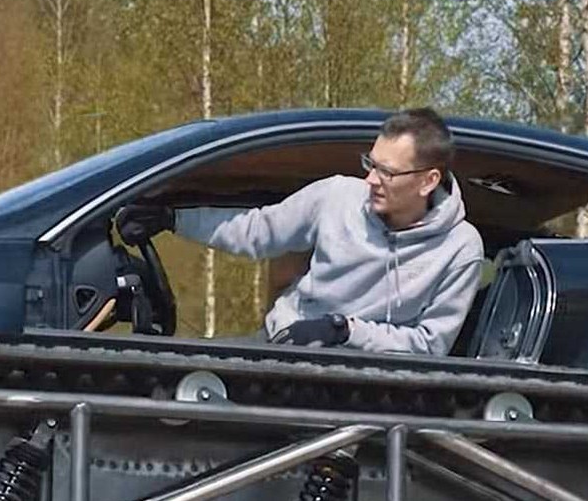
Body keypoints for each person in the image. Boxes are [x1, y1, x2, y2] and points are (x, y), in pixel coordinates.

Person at [116, 107, 485, 356]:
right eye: (370, 164)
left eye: (386, 172)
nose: (371, 180)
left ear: (428, 181)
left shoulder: (460, 248)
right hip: (279, 345)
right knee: (179, 378)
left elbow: (430, 345)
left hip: (369, 385)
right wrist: (171, 220)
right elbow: (257, 231)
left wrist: (344, 331)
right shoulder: (336, 196)